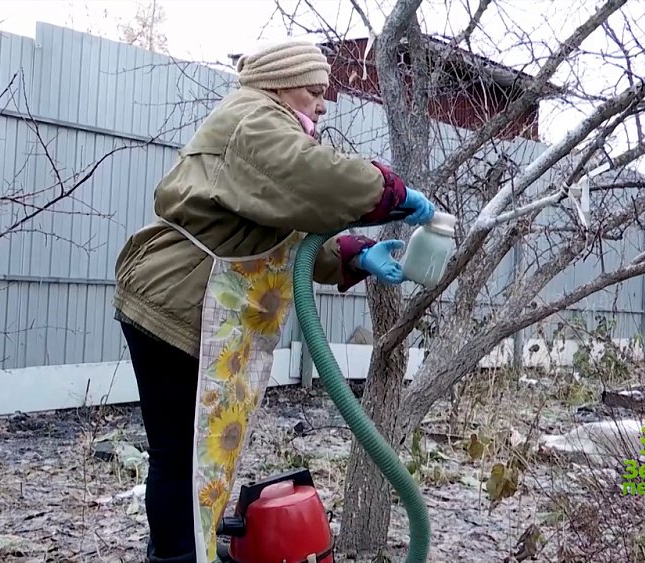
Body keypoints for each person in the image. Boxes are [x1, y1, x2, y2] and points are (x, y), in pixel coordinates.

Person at [112, 38, 435, 563]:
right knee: (184, 459)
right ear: (280, 85)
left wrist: (354, 253)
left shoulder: (259, 127)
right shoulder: (253, 121)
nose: (323, 105)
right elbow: (315, 179)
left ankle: (182, 547)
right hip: (175, 307)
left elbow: (282, 234)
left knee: (196, 459)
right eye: (314, 91)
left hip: (185, 303)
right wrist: (390, 194)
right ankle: (176, 556)